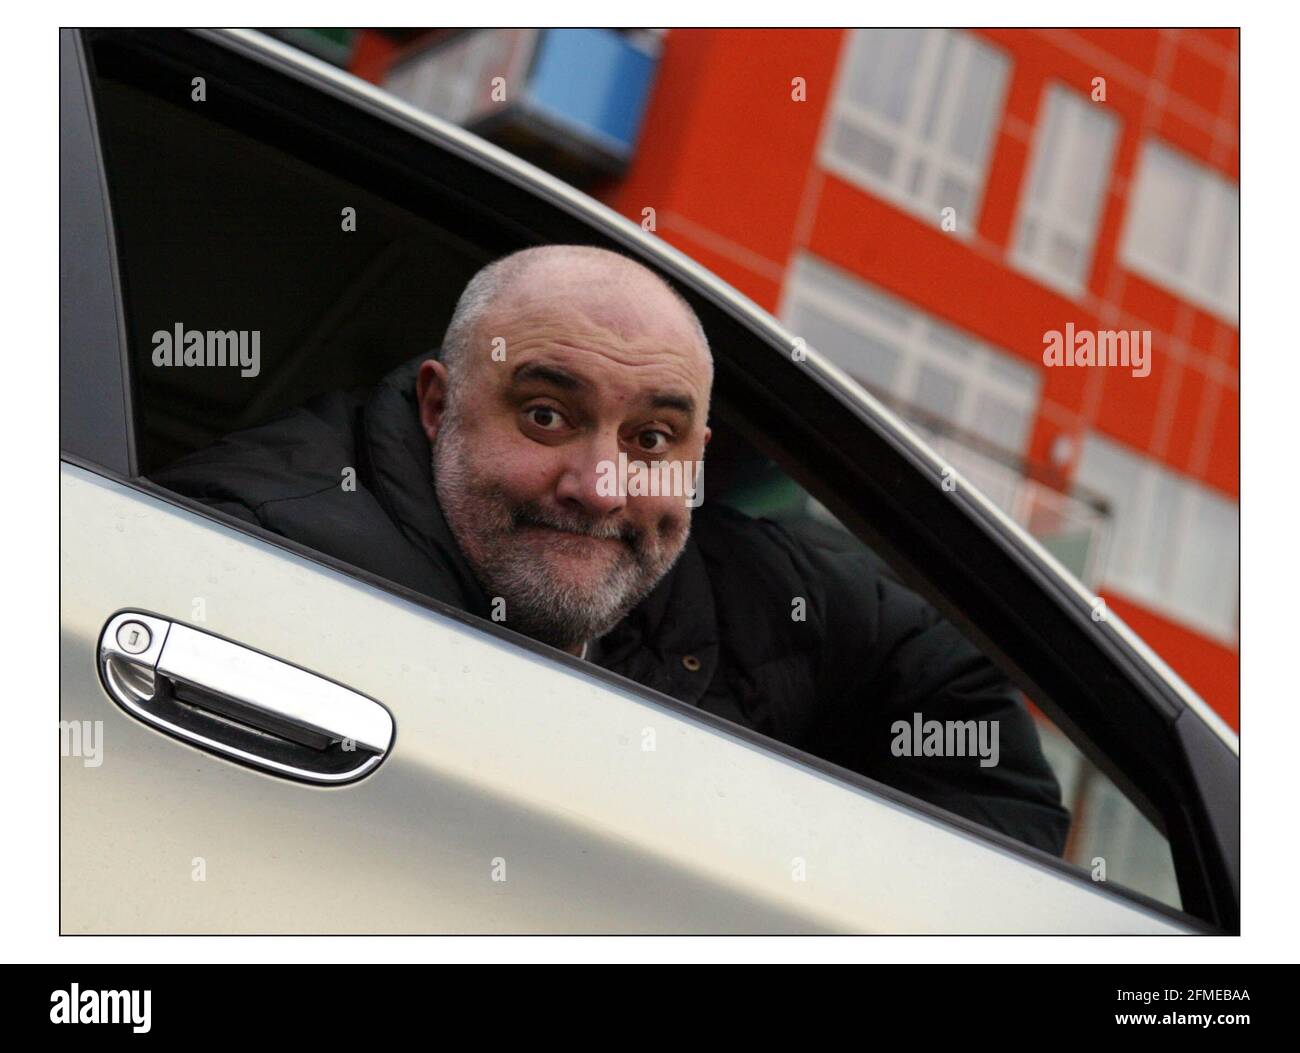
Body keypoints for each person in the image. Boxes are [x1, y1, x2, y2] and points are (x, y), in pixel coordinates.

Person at [155, 244, 1070, 855]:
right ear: (440, 407)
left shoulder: (732, 576)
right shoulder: (253, 557)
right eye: (547, 415)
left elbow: (964, 712)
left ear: (697, 460)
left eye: (652, 440)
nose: (601, 487)